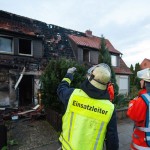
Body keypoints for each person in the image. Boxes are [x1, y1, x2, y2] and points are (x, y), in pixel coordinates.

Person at [57, 63, 119, 150]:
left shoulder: (72, 95)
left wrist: (69, 75)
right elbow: (112, 140)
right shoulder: (109, 108)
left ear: (90, 78)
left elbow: (61, 89)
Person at [127, 68, 150, 150]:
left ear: (146, 83)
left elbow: (133, 115)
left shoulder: (143, 99)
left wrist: (132, 102)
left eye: (142, 80)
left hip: (143, 144)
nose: (140, 81)